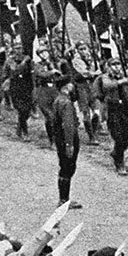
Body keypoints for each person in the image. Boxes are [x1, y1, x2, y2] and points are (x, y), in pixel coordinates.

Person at [93, 57, 128, 175]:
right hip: (112, 109)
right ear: (109, 66)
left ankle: (116, 152)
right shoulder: (104, 77)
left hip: (125, 109)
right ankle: (120, 163)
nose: (117, 67)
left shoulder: (125, 77)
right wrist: (123, 81)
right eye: (114, 65)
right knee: (118, 136)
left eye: (118, 64)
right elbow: (107, 86)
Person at [52, 75, 82, 209]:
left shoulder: (59, 100)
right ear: (66, 86)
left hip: (60, 137)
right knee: (68, 167)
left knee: (64, 167)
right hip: (67, 138)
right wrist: (69, 144)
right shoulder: (66, 103)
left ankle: (64, 198)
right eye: (70, 84)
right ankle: (64, 200)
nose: (73, 86)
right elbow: (68, 125)